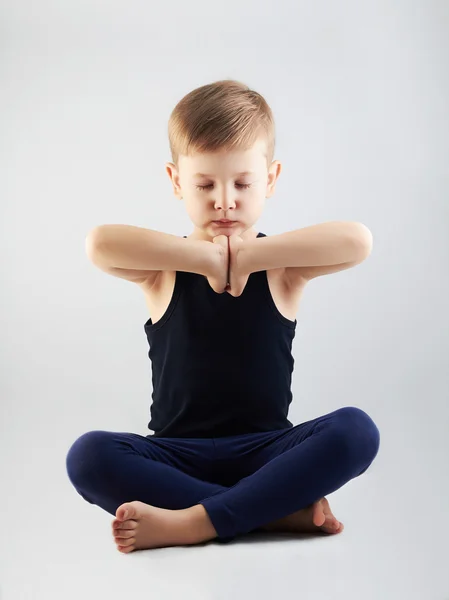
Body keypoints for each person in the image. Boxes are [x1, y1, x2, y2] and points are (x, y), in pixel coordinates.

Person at [66, 79, 380, 553]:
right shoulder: (163, 271)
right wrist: (208, 260)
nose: (225, 200)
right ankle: (276, 513)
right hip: (175, 456)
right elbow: (99, 244)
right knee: (88, 457)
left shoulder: (280, 269)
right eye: (205, 184)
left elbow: (358, 241)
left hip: (268, 454)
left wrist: (250, 258)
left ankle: (192, 522)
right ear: (176, 182)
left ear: (271, 180)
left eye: (243, 183)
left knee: (356, 431)